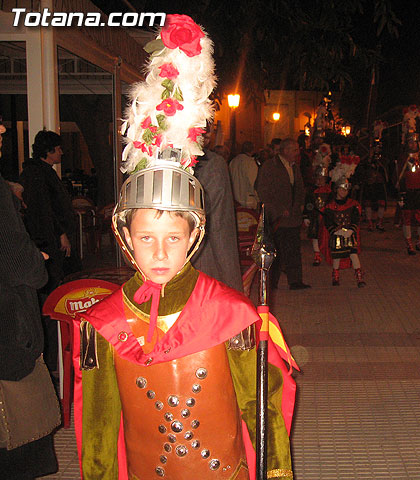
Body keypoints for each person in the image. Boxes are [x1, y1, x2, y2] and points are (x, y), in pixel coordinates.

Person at [74, 14, 295, 479]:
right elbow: (96, 436)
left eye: (172, 239)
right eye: (146, 238)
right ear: (124, 237)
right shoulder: (102, 323)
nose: (158, 254)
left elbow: (264, 415)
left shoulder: (233, 316)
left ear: (195, 236)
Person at [0, 123, 61, 480]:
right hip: (7, 328)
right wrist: (38, 262)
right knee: (19, 438)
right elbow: (17, 259)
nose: (4, 126)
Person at [20, 129, 79, 292]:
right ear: (48, 151)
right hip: (49, 238)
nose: (62, 152)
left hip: (54, 235)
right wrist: (61, 234)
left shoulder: (45, 172)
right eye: (58, 148)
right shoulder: (36, 174)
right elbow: (45, 209)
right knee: (54, 279)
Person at [191, 125, 244, 293]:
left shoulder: (154, 159)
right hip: (203, 261)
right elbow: (220, 225)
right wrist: (232, 283)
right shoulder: (213, 165)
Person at [256, 138, 310, 290]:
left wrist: (300, 204)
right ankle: (271, 283)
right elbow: (263, 191)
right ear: (285, 151)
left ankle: (295, 281)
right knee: (276, 251)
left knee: (294, 249)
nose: (297, 153)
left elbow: (299, 188)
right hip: (278, 218)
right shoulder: (270, 166)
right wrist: (278, 209)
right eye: (294, 150)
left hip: (293, 217)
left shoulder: (294, 167)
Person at [321, 157, 365, 287]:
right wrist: (336, 231)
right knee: (337, 256)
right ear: (336, 190)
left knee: (353, 254)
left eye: (346, 190)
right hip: (336, 234)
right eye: (341, 189)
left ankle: (359, 276)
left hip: (349, 234)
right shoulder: (330, 207)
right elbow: (328, 221)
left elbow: (356, 219)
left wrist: (351, 229)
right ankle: (335, 275)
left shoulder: (353, 205)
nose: (343, 192)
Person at [396, 134, 420, 254]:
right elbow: (399, 178)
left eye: (415, 143)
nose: (413, 145)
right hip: (407, 193)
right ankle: (409, 244)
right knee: (407, 219)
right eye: (410, 143)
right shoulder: (403, 160)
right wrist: (400, 194)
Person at [304, 166, 332, 266]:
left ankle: (328, 253)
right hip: (314, 217)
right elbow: (308, 204)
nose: (320, 181)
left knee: (326, 236)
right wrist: (306, 216)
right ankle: (317, 255)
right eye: (318, 178)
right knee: (315, 236)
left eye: (322, 179)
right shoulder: (311, 191)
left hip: (325, 218)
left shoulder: (329, 191)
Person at [228, 141, 259, 210]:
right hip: (248, 201)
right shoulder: (250, 163)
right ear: (253, 150)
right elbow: (253, 182)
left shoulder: (233, 161)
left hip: (235, 200)